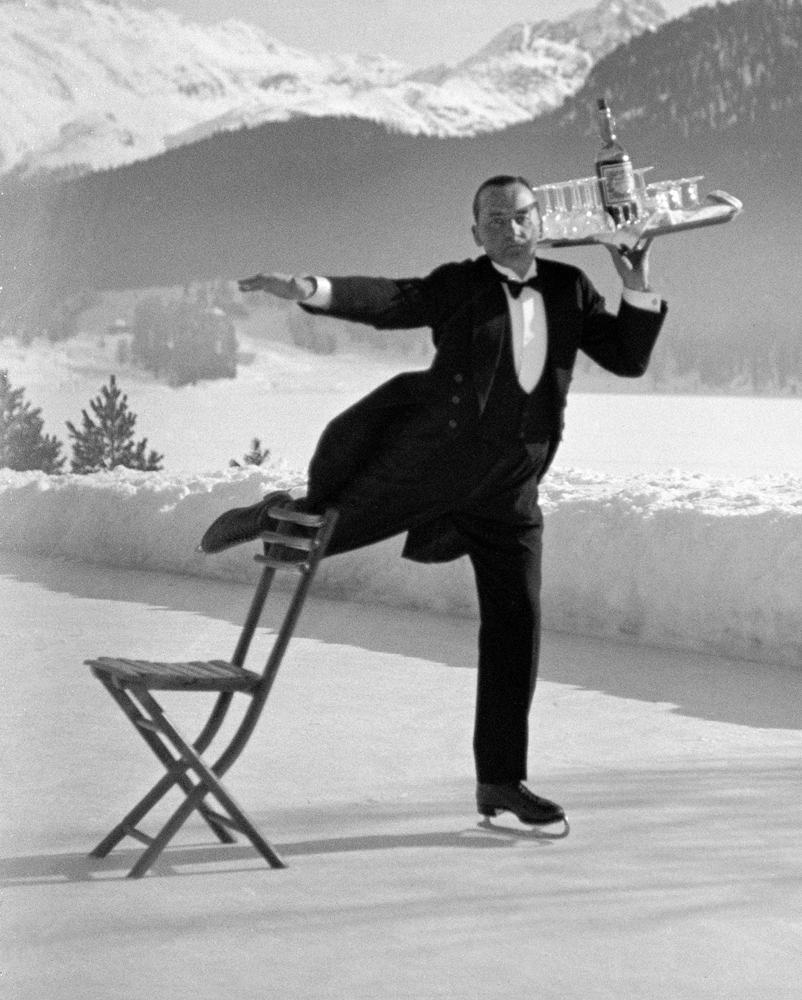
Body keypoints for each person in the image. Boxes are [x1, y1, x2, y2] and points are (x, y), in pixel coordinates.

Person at [200, 175, 667, 827]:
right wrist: (312, 289)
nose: (510, 227)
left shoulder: (568, 288)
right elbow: (393, 299)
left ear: (543, 220)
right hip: (433, 462)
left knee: (517, 625)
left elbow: (626, 359)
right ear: (477, 234)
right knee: (325, 532)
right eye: (494, 219)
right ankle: (280, 512)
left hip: (512, 486)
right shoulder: (462, 284)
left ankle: (501, 781)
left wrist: (636, 279)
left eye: (521, 215)